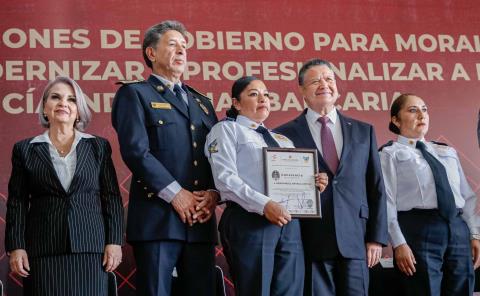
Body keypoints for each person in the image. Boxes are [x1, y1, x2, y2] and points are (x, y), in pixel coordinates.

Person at [111, 20, 219, 296]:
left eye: (184, 46)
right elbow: (136, 151)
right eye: (173, 44)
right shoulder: (134, 93)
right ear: (151, 53)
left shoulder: (202, 103)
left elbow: (218, 156)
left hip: (200, 219)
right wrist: (176, 195)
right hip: (157, 219)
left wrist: (213, 194)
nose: (181, 50)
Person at [205, 76, 328, 296]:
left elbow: (295, 182)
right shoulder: (226, 131)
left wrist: (314, 182)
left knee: (291, 291)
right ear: (236, 103)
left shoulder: (282, 140)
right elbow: (225, 180)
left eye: (266, 95)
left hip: (288, 224)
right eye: (253, 94)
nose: (263, 99)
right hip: (250, 220)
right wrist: (265, 205)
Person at [275, 59, 388, 296]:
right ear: (302, 91)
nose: (324, 85)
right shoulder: (284, 135)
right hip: (310, 241)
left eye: (329, 79)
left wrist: (376, 238)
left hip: (356, 240)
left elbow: (375, 186)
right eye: (315, 81)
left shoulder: (363, 130)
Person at [5, 76, 124, 295]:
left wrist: (115, 241)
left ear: (78, 111)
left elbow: (112, 198)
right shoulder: (24, 149)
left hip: (91, 249)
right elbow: (17, 202)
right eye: (56, 97)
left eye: (71, 99)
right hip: (43, 251)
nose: (63, 103)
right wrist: (16, 246)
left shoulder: (98, 146)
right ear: (44, 108)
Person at [379, 93, 480, 295]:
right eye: (412, 110)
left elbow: (466, 197)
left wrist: (474, 233)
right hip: (419, 228)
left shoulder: (446, 151)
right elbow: (386, 202)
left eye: (424, 109)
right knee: (425, 289)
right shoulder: (389, 154)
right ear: (395, 120)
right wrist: (399, 243)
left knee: (462, 287)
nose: (421, 115)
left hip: (457, 228)